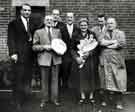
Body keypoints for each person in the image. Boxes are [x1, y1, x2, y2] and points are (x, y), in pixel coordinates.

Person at [7, 3, 33, 111]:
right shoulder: (13, 23)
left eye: (29, 10)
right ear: (21, 11)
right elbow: (10, 39)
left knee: (26, 79)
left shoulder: (31, 23)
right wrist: (13, 53)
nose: (27, 12)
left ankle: (23, 99)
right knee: (18, 80)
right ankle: (16, 102)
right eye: (25, 10)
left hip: (29, 57)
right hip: (18, 56)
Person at [33, 15, 62, 108]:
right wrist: (44, 47)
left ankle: (54, 99)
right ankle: (44, 100)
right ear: (44, 21)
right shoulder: (38, 32)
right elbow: (34, 46)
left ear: (54, 22)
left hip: (55, 59)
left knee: (55, 81)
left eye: (51, 20)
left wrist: (60, 49)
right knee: (44, 81)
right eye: (47, 20)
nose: (49, 21)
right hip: (44, 59)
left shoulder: (57, 31)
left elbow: (61, 44)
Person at [98, 17, 127, 109]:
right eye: (108, 23)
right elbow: (100, 42)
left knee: (118, 82)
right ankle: (105, 100)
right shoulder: (103, 33)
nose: (109, 25)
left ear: (115, 24)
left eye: (111, 23)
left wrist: (108, 45)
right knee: (105, 81)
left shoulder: (120, 33)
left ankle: (119, 102)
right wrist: (113, 42)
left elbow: (121, 43)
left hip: (116, 61)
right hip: (105, 61)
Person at [71, 18, 98, 104]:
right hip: (80, 59)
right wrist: (76, 58)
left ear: (88, 26)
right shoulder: (75, 34)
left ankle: (91, 96)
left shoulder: (92, 34)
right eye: (82, 25)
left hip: (89, 60)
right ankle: (82, 96)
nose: (83, 27)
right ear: (79, 26)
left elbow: (96, 47)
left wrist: (89, 53)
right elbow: (72, 49)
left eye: (85, 25)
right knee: (81, 77)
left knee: (91, 77)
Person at [91, 13, 107, 106]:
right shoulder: (94, 30)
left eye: (102, 20)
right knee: (96, 75)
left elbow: (101, 42)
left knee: (104, 77)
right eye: (99, 21)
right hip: (95, 56)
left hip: (105, 56)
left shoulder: (108, 29)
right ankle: (96, 96)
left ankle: (105, 96)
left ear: (105, 21)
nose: (100, 22)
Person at [60, 12, 79, 89]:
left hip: (75, 55)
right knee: (64, 74)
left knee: (74, 75)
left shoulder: (77, 29)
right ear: (66, 18)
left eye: (71, 17)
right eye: (68, 17)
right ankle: (65, 94)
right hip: (65, 55)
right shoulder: (61, 29)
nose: (69, 19)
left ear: (73, 18)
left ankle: (74, 94)